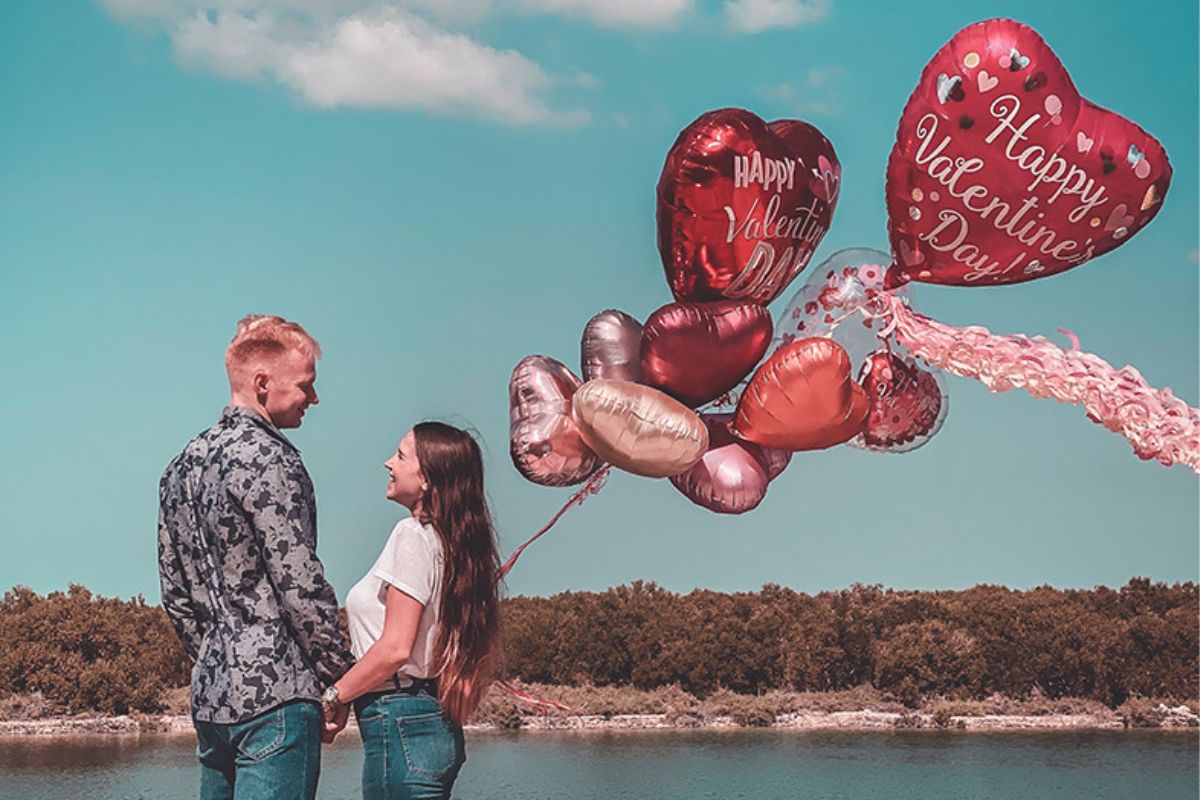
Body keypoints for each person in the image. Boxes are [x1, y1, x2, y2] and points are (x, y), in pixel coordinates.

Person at [158, 314, 353, 800]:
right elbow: (300, 585)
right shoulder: (271, 458)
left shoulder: (181, 465)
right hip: (276, 695)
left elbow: (175, 594)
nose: (314, 398)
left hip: (211, 696)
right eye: (306, 385)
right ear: (262, 383)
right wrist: (338, 677)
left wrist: (215, 655)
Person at [321, 422, 502, 800]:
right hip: (429, 721)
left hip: (398, 718)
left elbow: (395, 648)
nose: (389, 463)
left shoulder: (412, 536)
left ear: (428, 480)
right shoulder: (454, 546)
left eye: (401, 456)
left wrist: (334, 696)